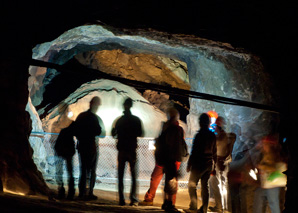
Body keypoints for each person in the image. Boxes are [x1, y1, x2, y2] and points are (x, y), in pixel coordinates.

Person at [140, 108, 186, 208]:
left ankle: (168, 203)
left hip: (168, 159)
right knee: (164, 179)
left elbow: (170, 144)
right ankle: (166, 202)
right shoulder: (174, 128)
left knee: (168, 180)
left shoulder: (173, 128)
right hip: (168, 159)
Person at [112, 98, 144, 206]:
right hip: (131, 149)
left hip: (122, 149)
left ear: (124, 106)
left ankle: (121, 199)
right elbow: (140, 133)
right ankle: (133, 198)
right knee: (134, 176)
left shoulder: (119, 120)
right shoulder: (136, 120)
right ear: (131, 106)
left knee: (120, 175)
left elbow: (114, 134)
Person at [154, 107, 185, 212]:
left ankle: (166, 202)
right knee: (171, 181)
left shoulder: (165, 127)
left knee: (167, 180)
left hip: (165, 158)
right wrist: (179, 157)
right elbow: (176, 145)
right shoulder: (176, 129)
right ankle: (170, 203)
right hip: (172, 159)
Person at [75, 96, 105, 200]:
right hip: (91, 146)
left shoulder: (81, 116)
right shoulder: (94, 118)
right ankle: (89, 192)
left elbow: (75, 130)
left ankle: (82, 192)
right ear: (95, 105)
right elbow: (100, 132)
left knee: (83, 170)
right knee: (92, 170)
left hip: (82, 146)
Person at [185, 113, 217, 213]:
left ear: (200, 123)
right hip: (208, 164)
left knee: (191, 184)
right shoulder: (212, 135)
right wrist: (214, 167)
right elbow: (215, 151)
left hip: (198, 164)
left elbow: (194, 151)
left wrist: (189, 164)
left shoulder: (199, 135)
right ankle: (204, 208)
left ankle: (193, 206)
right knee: (205, 186)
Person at [251, 135, 287, 213]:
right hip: (269, 182)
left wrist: (261, 166)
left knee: (273, 203)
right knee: (260, 195)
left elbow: (272, 168)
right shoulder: (266, 153)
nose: (263, 145)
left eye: (264, 144)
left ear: (269, 145)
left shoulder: (271, 154)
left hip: (273, 183)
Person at [209, 116, 235, 213]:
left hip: (220, 162)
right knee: (221, 184)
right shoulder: (223, 136)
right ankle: (223, 207)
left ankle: (223, 207)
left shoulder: (222, 136)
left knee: (220, 184)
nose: (214, 127)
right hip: (219, 162)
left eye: (215, 125)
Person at [51, 103, 75, 199]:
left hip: (59, 149)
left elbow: (52, 138)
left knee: (59, 171)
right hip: (68, 149)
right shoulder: (71, 123)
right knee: (69, 171)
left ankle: (61, 190)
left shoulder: (56, 124)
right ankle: (70, 191)